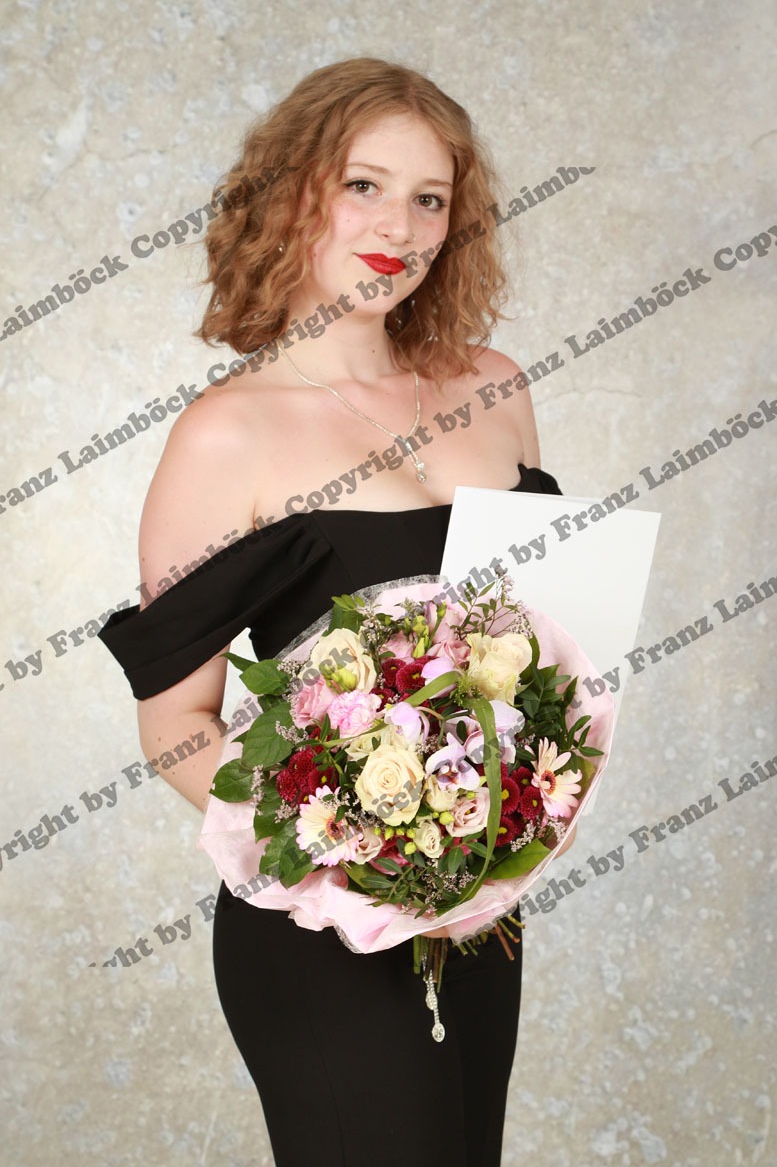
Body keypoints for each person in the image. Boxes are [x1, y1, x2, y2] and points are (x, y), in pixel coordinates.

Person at [100, 57, 573, 1167]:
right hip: (319, 924)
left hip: (481, 915)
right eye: (364, 186)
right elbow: (174, 723)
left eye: (429, 198)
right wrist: (348, 857)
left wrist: (496, 831)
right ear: (293, 195)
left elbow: (539, 655)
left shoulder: (495, 386)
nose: (398, 228)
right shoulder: (230, 431)